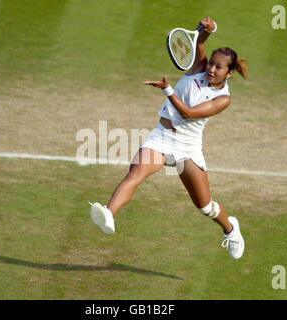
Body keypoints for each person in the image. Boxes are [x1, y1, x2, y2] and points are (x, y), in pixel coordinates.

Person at [89, 17, 249, 259]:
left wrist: (167, 90)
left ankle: (230, 229)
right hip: (161, 137)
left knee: (205, 207)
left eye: (218, 68)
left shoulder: (224, 99)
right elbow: (201, 41)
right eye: (211, 64)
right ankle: (108, 214)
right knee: (135, 173)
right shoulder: (198, 67)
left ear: (230, 73)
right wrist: (211, 28)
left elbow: (188, 113)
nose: (211, 70)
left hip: (188, 147)